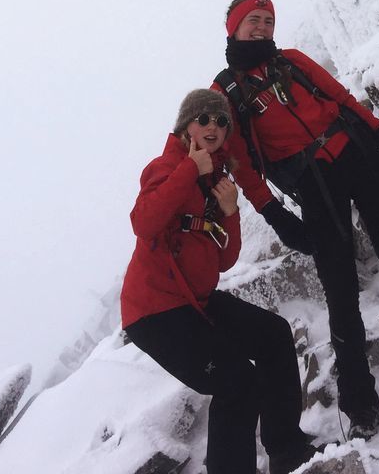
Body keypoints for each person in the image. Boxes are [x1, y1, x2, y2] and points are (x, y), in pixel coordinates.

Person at [213, 0, 379, 441]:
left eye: (268, 20)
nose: (263, 27)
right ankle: (359, 401)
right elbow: (241, 163)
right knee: (339, 289)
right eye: (253, 21)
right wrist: (272, 211)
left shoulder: (294, 61)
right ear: (234, 28)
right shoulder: (225, 92)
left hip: (355, 152)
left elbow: (340, 97)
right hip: (313, 184)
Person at [121, 87, 320, 474]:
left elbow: (225, 261)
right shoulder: (164, 168)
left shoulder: (216, 180)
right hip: (154, 312)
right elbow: (143, 223)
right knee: (237, 382)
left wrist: (230, 212)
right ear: (185, 128)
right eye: (204, 119)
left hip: (196, 301)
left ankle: (285, 447)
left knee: (274, 334)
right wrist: (189, 170)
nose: (214, 125)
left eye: (222, 121)